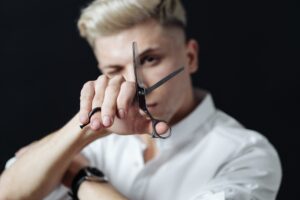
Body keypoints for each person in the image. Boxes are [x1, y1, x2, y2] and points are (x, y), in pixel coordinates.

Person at [0, 0, 282, 199]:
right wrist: (84, 128)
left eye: (149, 59)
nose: (135, 85)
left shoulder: (246, 154)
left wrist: (80, 177)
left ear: (191, 56)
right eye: (114, 70)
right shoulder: (97, 142)